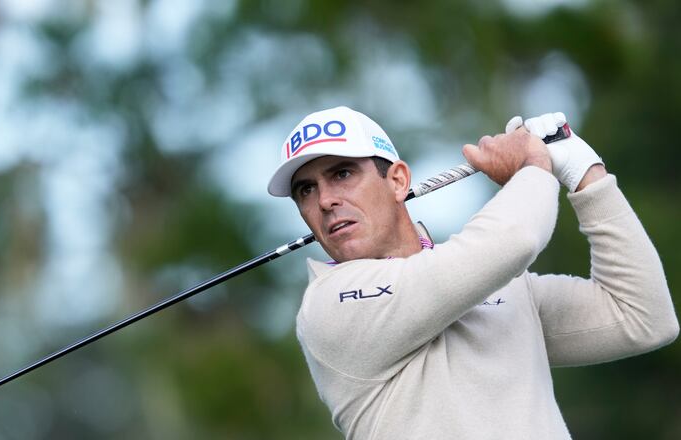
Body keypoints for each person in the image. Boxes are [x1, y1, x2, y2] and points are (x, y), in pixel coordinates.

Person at [267, 106, 679, 439]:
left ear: (397, 181)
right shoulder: (329, 305)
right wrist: (534, 166)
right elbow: (514, 239)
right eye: (306, 189)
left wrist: (584, 172)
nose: (324, 200)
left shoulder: (501, 286)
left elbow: (642, 318)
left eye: (341, 173)